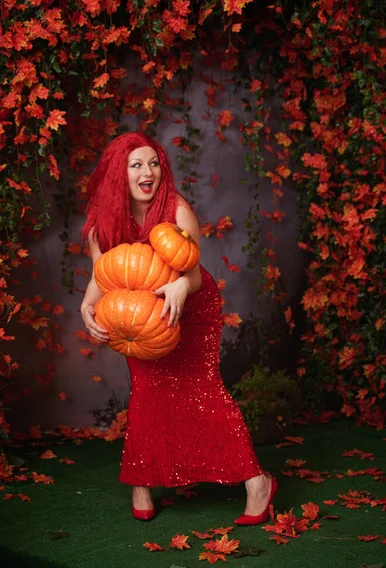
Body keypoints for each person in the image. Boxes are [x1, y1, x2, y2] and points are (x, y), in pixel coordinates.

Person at [80, 131, 278, 525]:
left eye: (154, 163)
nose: (147, 172)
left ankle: (258, 482)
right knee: (148, 393)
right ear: (119, 173)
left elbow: (195, 276)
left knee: (205, 391)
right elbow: (101, 276)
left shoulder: (176, 210)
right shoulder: (100, 225)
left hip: (189, 308)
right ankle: (142, 481)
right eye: (136, 164)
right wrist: (86, 306)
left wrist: (178, 285)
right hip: (140, 317)